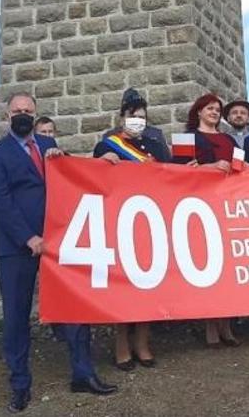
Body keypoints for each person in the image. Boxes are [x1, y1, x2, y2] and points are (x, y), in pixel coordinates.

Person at [0, 92, 113, 413]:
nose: (23, 114)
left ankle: (83, 373)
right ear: (7, 114)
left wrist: (102, 163)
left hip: (58, 242)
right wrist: (28, 237)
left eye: (28, 110)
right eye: (17, 110)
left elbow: (74, 175)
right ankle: (19, 385)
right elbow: (0, 201)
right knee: (16, 317)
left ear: (36, 113)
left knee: (74, 308)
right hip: (16, 247)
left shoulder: (48, 146)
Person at [93, 89, 171, 370]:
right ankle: (122, 345)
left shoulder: (156, 144)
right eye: (132, 115)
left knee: (148, 285)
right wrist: (103, 164)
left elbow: (169, 174)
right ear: (122, 116)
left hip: (151, 221)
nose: (137, 120)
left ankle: (143, 342)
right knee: (123, 287)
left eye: (141, 115)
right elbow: (95, 179)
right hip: (121, 221)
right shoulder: (107, 145)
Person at [184, 93, 241, 349]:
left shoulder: (229, 139)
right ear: (198, 111)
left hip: (228, 205)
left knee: (229, 266)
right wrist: (209, 168)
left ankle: (226, 324)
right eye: (210, 108)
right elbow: (180, 170)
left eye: (218, 109)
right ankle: (209, 325)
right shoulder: (187, 139)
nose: (215, 112)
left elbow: (240, 165)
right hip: (201, 206)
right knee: (209, 264)